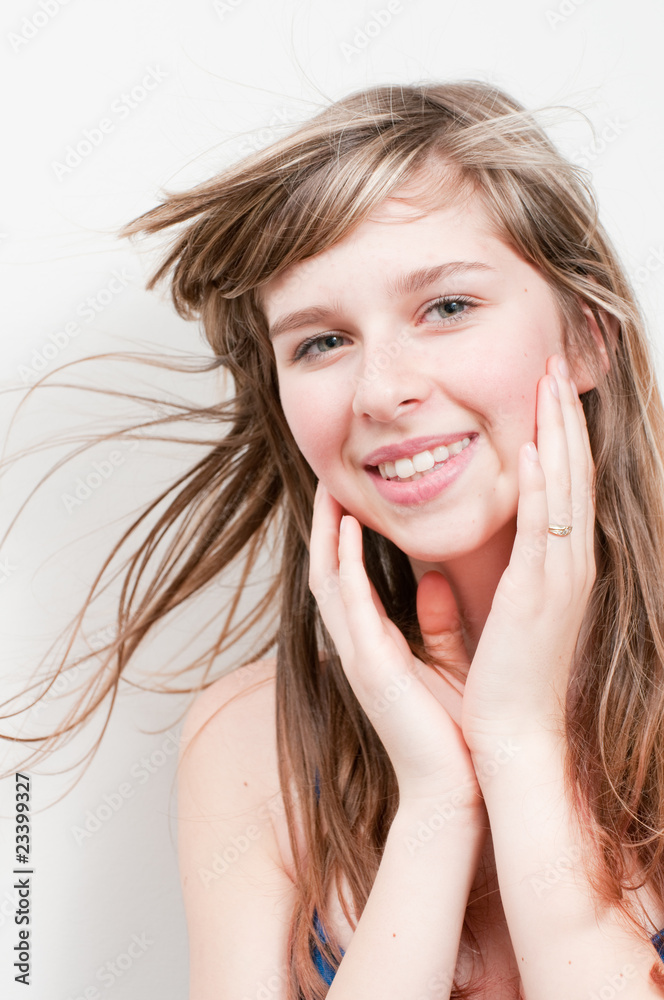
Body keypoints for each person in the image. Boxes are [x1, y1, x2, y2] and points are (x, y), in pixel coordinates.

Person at [83, 81, 664, 997]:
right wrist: (437, 801)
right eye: (321, 342)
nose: (382, 391)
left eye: (448, 307)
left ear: (589, 337)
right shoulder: (253, 744)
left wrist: (520, 745)